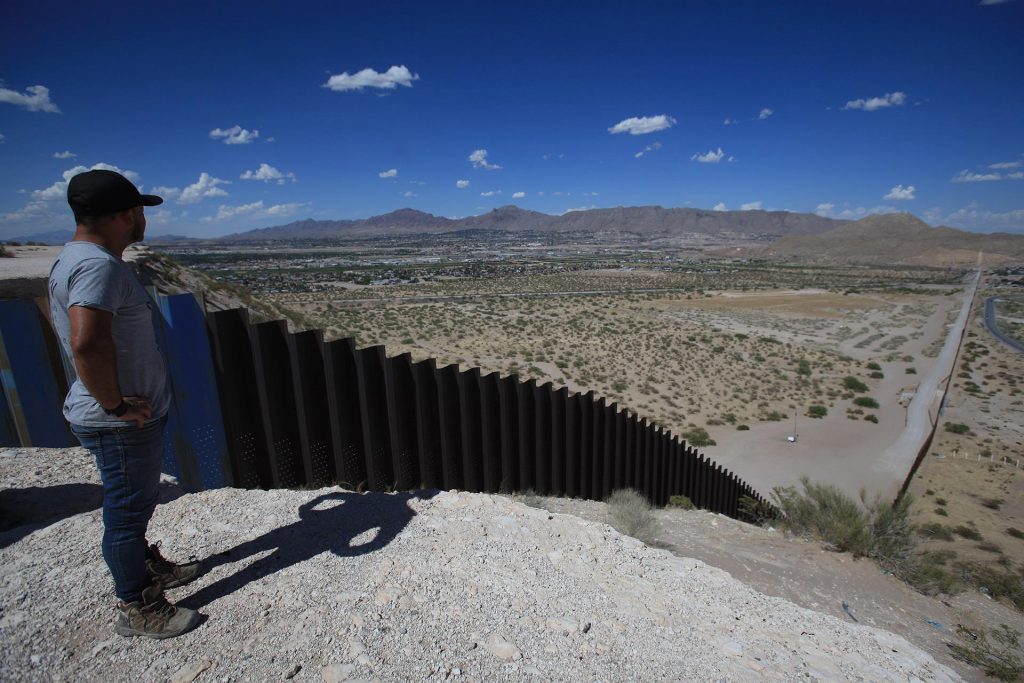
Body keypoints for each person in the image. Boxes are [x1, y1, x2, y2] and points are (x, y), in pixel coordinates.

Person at [47, 169, 202, 639]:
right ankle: (138, 605)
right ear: (124, 215)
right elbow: (87, 343)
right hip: (116, 423)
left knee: (134, 501)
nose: (142, 220)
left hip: (108, 417)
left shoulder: (74, 258)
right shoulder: (97, 266)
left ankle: (147, 568)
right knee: (127, 511)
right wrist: (115, 406)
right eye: (139, 211)